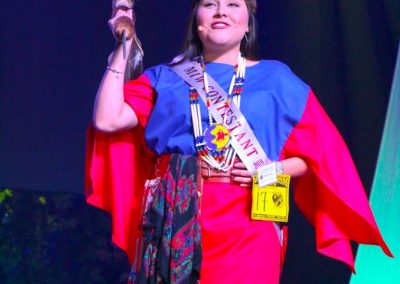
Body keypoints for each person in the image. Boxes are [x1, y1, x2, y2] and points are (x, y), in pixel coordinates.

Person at [85, 0, 392, 283]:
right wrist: (123, 46)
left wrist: (275, 169)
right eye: (209, 4)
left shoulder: (278, 80)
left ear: (248, 23)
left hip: (249, 225)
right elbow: (107, 119)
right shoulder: (166, 76)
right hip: (174, 221)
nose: (221, 11)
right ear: (197, 21)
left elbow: (318, 156)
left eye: (233, 3)